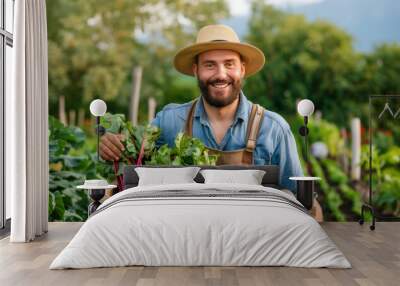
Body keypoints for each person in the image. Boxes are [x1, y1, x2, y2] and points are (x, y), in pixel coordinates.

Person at [100, 24, 304, 194]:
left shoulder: (274, 129)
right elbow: (132, 159)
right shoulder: (168, 122)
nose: (220, 74)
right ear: (196, 71)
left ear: (242, 69)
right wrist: (112, 146)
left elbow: (296, 195)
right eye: (210, 65)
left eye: (229, 64)